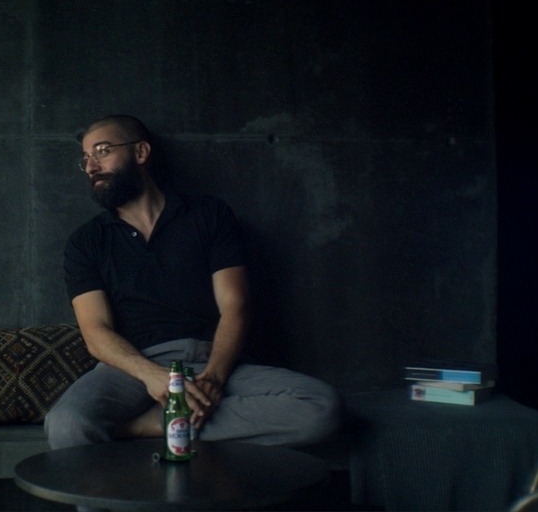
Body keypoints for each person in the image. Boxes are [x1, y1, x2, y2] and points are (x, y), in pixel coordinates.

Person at [44, 115, 340, 452]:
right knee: (66, 423)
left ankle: (148, 426)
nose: (92, 166)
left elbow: (235, 305)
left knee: (320, 407)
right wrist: (151, 375)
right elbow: (96, 335)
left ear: (140, 152)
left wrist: (214, 377)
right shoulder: (86, 242)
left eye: (102, 151)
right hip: (132, 368)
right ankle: (176, 421)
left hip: (211, 357)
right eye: (85, 159)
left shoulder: (208, 215)